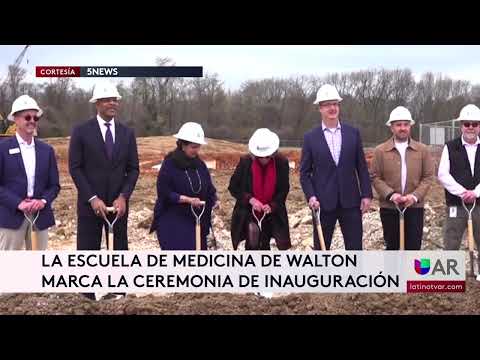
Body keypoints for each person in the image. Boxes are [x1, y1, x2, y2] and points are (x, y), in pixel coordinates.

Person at [68, 83, 139, 300]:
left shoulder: (127, 133)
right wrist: (91, 197)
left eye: (115, 99)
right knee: (88, 252)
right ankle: (86, 299)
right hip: (90, 206)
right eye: (107, 99)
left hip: (117, 208)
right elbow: (75, 167)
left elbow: (133, 169)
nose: (112, 103)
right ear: (97, 103)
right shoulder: (81, 132)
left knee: (118, 252)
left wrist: (123, 196)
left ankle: (117, 295)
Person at [300, 84, 372, 250]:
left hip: (351, 202)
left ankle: (354, 277)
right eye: (327, 105)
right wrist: (311, 196)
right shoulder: (310, 137)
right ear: (320, 108)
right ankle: (322, 277)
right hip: (322, 204)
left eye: (335, 104)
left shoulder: (353, 133)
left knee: (355, 250)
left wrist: (366, 194)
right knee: (321, 250)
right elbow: (304, 173)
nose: (332, 108)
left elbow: (361, 167)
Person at [0, 95, 60, 250]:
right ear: (16, 119)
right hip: (10, 217)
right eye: (27, 116)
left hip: (40, 217)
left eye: (35, 117)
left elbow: (54, 185)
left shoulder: (46, 151)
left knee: (37, 266)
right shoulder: (3, 149)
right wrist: (17, 203)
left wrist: (43, 201)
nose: (32, 120)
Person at [371, 106, 434, 250]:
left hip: (414, 207)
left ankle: (410, 273)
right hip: (389, 208)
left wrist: (414, 196)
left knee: (413, 248)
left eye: (406, 124)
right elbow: (375, 177)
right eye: (398, 125)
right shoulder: (380, 151)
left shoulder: (422, 150)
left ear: (410, 126)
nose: (402, 128)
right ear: (391, 127)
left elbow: (428, 177)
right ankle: (393, 273)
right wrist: (391, 195)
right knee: (392, 247)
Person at [149, 122, 217, 250]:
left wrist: (214, 199)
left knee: (199, 256)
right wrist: (187, 199)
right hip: (172, 217)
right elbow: (164, 192)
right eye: (193, 147)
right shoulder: (169, 164)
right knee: (182, 256)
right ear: (183, 145)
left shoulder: (200, 164)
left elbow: (209, 187)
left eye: (198, 147)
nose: (196, 150)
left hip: (196, 217)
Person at [228, 128, 291, 250]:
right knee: (253, 240)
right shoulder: (245, 162)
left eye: (267, 157)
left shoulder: (281, 163)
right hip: (248, 212)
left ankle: (266, 268)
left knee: (265, 243)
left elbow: (283, 189)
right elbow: (233, 187)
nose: (264, 160)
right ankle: (251, 267)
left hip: (271, 212)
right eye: (260, 157)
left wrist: (272, 205)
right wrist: (250, 200)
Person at [438, 104, 480, 267]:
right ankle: (450, 274)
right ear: (461, 125)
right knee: (452, 240)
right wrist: (463, 193)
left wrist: (476, 192)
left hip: (479, 204)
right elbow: (443, 174)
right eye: (467, 124)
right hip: (456, 203)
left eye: (475, 124)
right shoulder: (450, 146)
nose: (470, 127)